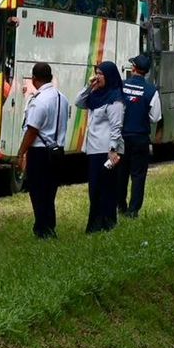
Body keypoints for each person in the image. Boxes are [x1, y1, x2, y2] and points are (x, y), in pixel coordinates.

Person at [16, 62, 68, 239]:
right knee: (50, 192)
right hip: (58, 150)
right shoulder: (62, 98)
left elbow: (32, 130)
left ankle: (42, 227)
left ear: (34, 79)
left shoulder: (39, 101)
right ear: (51, 77)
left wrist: (21, 153)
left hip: (40, 152)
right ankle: (49, 225)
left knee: (38, 191)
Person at [76, 61, 124, 233]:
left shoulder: (115, 99)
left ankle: (107, 222)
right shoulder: (95, 95)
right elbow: (79, 102)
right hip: (93, 149)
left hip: (106, 151)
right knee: (94, 188)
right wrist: (89, 86)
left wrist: (113, 150)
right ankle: (95, 223)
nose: (98, 77)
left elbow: (116, 126)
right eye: (96, 73)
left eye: (101, 74)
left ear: (109, 76)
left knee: (106, 187)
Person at [117, 54, 162, 219]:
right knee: (138, 175)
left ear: (134, 68)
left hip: (122, 136)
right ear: (146, 72)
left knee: (121, 173)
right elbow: (155, 117)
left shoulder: (121, 86)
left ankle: (120, 205)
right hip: (141, 137)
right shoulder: (151, 90)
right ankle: (133, 210)